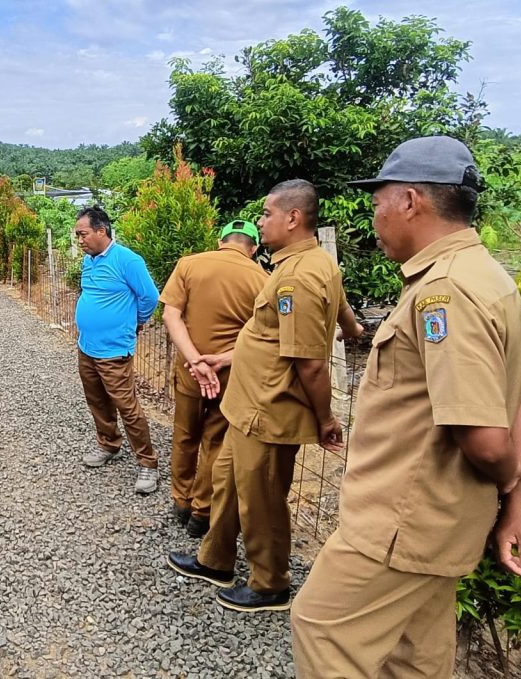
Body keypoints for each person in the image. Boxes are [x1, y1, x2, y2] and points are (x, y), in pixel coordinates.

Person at [290, 136, 521, 677]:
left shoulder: (445, 294)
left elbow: (485, 438)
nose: (375, 215)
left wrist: (507, 483)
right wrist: (517, 502)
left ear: (410, 201)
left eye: (379, 201)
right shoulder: (491, 279)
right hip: (440, 523)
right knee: (416, 656)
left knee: (321, 627)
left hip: (400, 522)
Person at [167, 179, 363, 612]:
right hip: (247, 401)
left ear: (293, 218)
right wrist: (354, 330)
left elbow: (309, 361)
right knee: (229, 482)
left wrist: (326, 418)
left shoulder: (300, 276)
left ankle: (269, 582)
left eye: (267, 214)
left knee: (262, 498)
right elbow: (340, 314)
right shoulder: (303, 264)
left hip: (270, 408)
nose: (260, 221)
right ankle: (214, 558)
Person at [160, 220, 268, 538]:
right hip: (231, 375)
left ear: (220, 241)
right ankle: (201, 511)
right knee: (216, 442)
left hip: (191, 372)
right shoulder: (263, 279)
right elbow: (262, 336)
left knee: (184, 436)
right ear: (254, 248)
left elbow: (170, 314)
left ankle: (180, 501)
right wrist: (218, 362)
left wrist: (195, 360)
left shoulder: (189, 265)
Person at [73, 205, 161, 494]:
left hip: (113, 351)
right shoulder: (90, 260)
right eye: (77, 235)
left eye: (83, 234)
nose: (80, 240)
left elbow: (150, 297)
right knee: (97, 400)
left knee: (127, 406)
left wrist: (134, 323)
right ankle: (109, 444)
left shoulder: (127, 260)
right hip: (86, 347)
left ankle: (148, 463)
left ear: (102, 231)